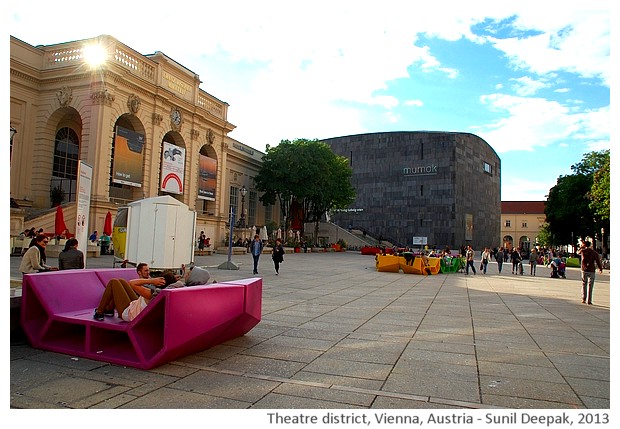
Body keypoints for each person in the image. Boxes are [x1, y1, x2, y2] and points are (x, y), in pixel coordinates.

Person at [93, 263, 167, 321]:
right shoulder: (160, 291)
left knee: (113, 282)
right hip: (137, 304)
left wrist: (152, 281)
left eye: (148, 270)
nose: (148, 273)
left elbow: (132, 283)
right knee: (121, 281)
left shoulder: (151, 293)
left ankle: (99, 312)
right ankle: (109, 309)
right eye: (146, 271)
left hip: (130, 313)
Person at [577, 241, 603, 305]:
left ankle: (584, 298)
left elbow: (577, 252)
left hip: (584, 270)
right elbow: (598, 261)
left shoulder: (583, 251)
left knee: (584, 284)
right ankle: (589, 300)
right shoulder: (594, 253)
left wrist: (581, 247)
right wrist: (600, 268)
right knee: (591, 286)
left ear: (584, 245)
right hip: (592, 270)